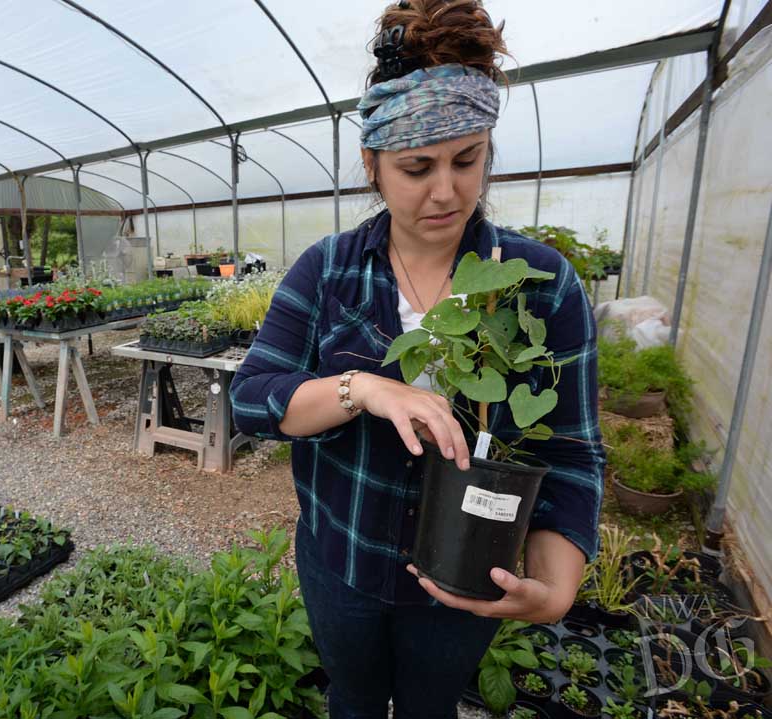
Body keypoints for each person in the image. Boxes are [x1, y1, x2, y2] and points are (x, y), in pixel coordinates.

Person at [229, 1, 605, 716]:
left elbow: (573, 451)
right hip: (341, 559)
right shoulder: (330, 271)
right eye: (416, 167)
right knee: (355, 700)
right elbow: (251, 400)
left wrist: (555, 589)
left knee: (433, 707)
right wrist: (363, 387)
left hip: (466, 577)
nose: (446, 190)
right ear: (371, 165)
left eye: (467, 159)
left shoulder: (538, 283)